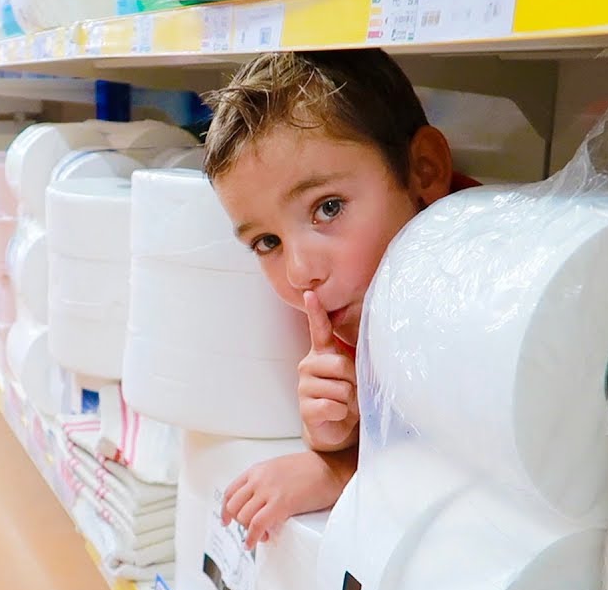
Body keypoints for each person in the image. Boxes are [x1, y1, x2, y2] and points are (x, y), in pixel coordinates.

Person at [202, 49, 478, 549]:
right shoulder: (354, 301)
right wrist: (330, 433)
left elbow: (486, 461)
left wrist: (340, 470)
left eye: (328, 208)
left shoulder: (487, 284)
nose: (301, 272)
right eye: (268, 243)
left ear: (424, 170)